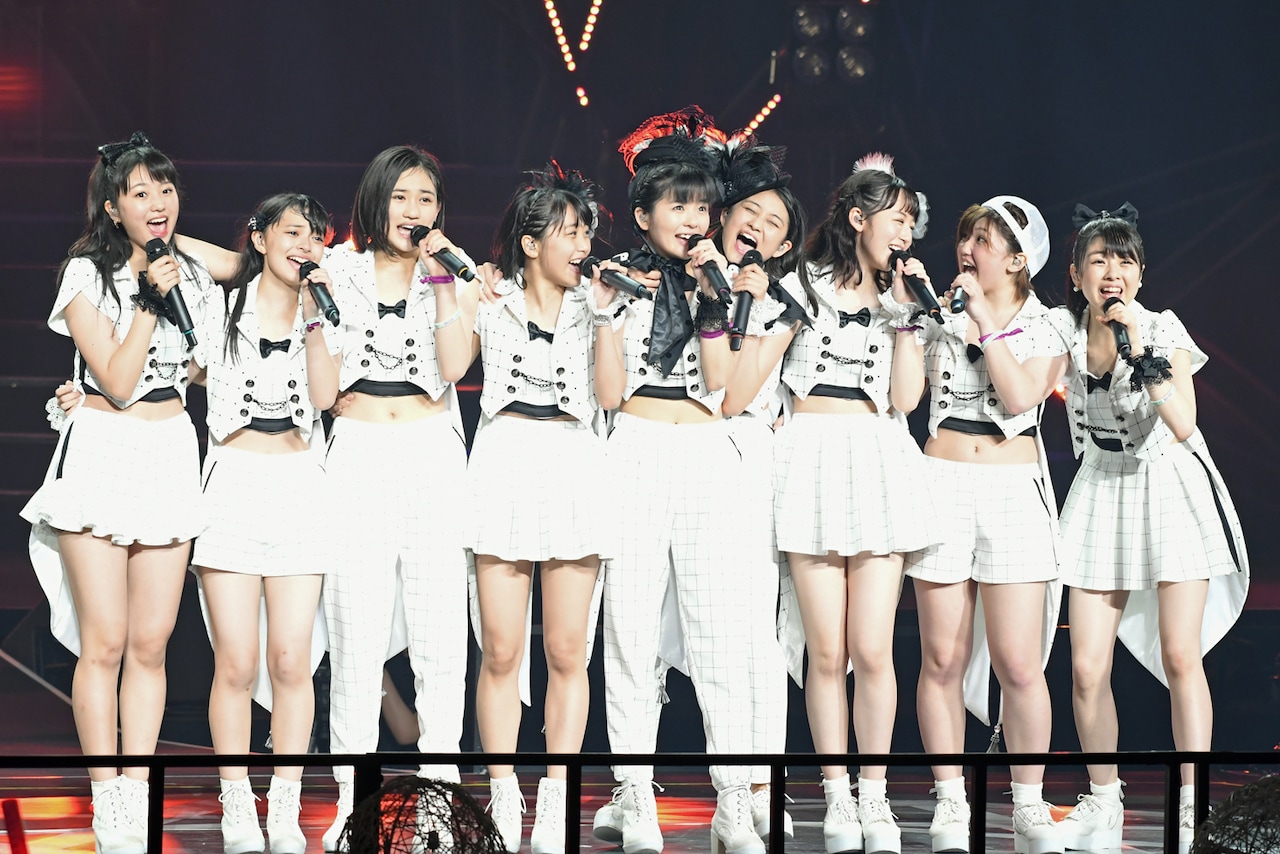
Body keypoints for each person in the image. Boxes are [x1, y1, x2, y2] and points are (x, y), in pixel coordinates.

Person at [20, 131, 215, 854]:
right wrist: (148, 297)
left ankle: (138, 786)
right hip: (104, 451)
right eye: (140, 192)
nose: (158, 201)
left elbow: (206, 357)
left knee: (151, 644)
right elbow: (120, 377)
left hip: (170, 451)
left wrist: (171, 251)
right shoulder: (85, 274)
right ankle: (108, 797)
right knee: (103, 642)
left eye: (166, 189)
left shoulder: (186, 270)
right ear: (110, 206)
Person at [1048, 205, 1249, 853]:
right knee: (1085, 667)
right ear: (1076, 275)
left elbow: (1184, 423)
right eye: (1099, 259)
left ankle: (1193, 805)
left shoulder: (1160, 327)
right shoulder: (1062, 331)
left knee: (1181, 655)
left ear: (1140, 274)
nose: (1112, 271)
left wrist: (1141, 347)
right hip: (1100, 487)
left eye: (1125, 260)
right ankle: (1104, 801)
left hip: (1167, 484)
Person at [589, 106, 761, 854]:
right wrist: (604, 316)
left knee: (719, 632)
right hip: (633, 449)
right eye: (679, 206)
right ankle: (635, 794)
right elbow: (607, 393)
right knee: (629, 632)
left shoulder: (716, 282)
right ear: (643, 213)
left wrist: (713, 298)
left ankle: (733, 800)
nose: (694, 220)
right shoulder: (615, 282)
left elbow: (721, 384)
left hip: (703, 454)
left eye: (702, 208)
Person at [432, 162, 617, 854]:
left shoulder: (597, 303)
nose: (583, 245)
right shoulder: (492, 297)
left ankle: (557, 797)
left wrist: (607, 316)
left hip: (574, 462)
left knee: (569, 651)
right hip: (505, 462)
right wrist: (453, 287)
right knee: (502, 648)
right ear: (532, 242)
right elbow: (453, 366)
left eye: (586, 233)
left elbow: (610, 394)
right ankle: (503, 792)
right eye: (570, 232)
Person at [772, 152, 934, 854]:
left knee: (872, 647)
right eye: (896, 218)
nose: (906, 231)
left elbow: (906, 399)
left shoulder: (904, 299)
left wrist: (906, 317)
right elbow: (765, 373)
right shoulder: (799, 283)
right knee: (827, 649)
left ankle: (875, 795)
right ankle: (835, 794)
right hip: (810, 455)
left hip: (876, 456)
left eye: (910, 221)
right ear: (857, 218)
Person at [320, 145, 476, 852]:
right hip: (357, 452)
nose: (414, 211)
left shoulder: (452, 274)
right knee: (355, 637)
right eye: (402, 196)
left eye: (427, 198)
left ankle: (441, 802)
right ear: (376, 200)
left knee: (441, 638)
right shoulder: (337, 269)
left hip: (430, 452)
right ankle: (353, 803)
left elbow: (454, 366)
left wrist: (443, 282)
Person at [905, 196, 1067, 854]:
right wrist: (915, 316)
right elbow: (905, 397)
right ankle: (950, 800)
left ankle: (1028, 803)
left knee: (1020, 664)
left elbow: (1022, 396)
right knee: (941, 657)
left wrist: (985, 322)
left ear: (1019, 260)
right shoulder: (937, 315)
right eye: (967, 235)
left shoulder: (1049, 325)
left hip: (1012, 489)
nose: (969, 248)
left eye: (986, 241)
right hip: (941, 482)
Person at [192, 193, 340, 854]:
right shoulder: (218, 307)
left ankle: (284, 804)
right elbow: (173, 249)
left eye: (316, 236)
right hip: (232, 484)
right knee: (236, 660)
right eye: (292, 233)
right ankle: (236, 803)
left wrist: (314, 319)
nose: (305, 246)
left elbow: (327, 396)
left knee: (290, 659)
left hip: (299, 485)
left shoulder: (326, 309)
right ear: (259, 238)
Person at [712, 134, 813, 842]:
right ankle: (636, 786)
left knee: (754, 632)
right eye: (750, 211)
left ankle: (755, 784)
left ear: (782, 248)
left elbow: (735, 395)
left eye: (774, 223)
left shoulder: (781, 307)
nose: (758, 226)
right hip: (669, 452)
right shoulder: (680, 282)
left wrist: (750, 311)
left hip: (745, 460)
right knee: (660, 634)